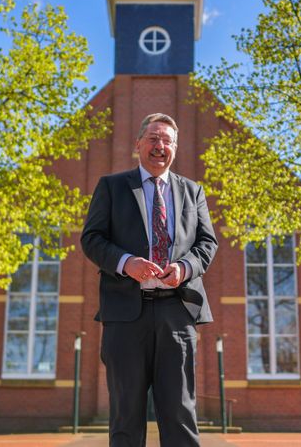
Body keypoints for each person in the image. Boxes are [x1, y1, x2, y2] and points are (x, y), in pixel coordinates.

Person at [81, 113, 218, 446]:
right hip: (126, 315)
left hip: (177, 314)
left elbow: (207, 243)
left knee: (180, 414)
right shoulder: (112, 187)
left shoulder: (192, 191)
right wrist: (126, 264)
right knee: (125, 416)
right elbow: (92, 238)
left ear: (175, 148)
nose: (160, 146)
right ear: (138, 145)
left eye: (167, 140)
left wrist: (184, 268)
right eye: (154, 139)